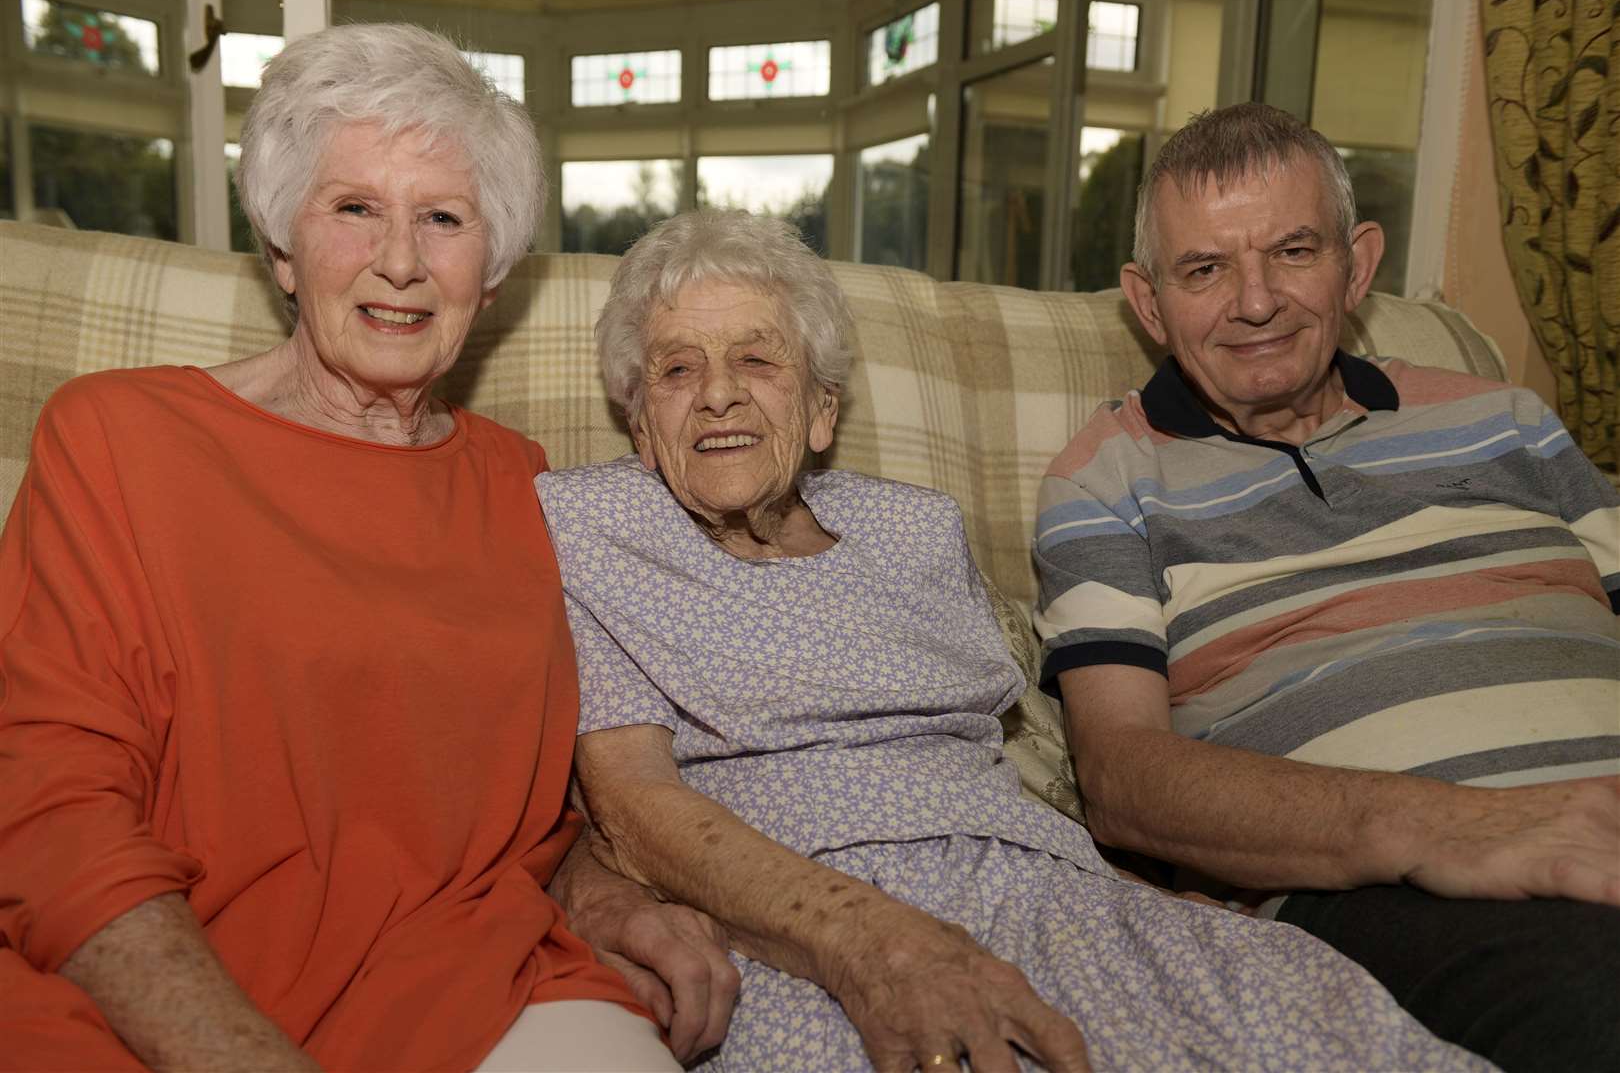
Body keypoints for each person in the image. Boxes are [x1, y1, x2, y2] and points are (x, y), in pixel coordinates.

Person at [536, 208, 1488, 1072]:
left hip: (1037, 885)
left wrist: (1137, 898)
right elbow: (632, 804)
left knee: (1314, 1028)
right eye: (677, 368)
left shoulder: (919, 527)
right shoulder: (585, 527)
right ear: (640, 422)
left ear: (822, 408)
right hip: (790, 925)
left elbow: (1013, 754)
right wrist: (879, 944)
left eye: (757, 361)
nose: (717, 397)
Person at [0, 23, 695, 1073]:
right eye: (355, 209)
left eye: (444, 218)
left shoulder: (526, 484)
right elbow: (50, 809)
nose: (402, 263)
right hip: (144, 990)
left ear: (492, 269)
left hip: (465, 979)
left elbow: (545, 809)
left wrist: (604, 896)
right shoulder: (118, 439)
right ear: (283, 246)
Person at [1033, 101, 1620, 1071]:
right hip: (1410, 884)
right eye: (1206, 269)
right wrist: (1454, 825)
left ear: (1359, 264)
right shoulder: (1108, 476)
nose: (1255, 302)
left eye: (1294, 251)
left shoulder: (1509, 419)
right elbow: (1124, 781)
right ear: (1148, 301)